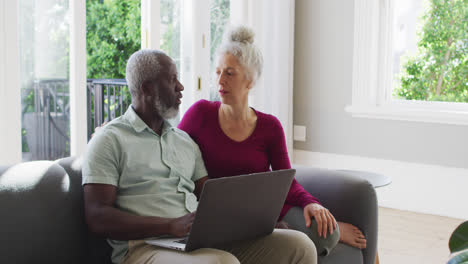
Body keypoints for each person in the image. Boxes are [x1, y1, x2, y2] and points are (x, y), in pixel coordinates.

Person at [82, 49, 318, 264]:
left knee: (299, 246)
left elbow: (209, 198)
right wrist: (170, 225)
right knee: (221, 263)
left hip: (195, 242)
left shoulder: (184, 141)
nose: (181, 87)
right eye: (172, 79)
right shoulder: (109, 140)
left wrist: (254, 224)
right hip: (143, 248)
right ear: (147, 88)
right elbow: (97, 216)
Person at [178, 25, 367, 256]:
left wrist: (311, 203)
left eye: (229, 73)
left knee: (327, 233)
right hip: (221, 217)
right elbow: (173, 152)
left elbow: (286, 179)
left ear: (250, 81)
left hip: (263, 214)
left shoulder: (270, 126)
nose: (220, 80)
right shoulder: (200, 114)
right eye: (217, 72)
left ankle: (307, 233)